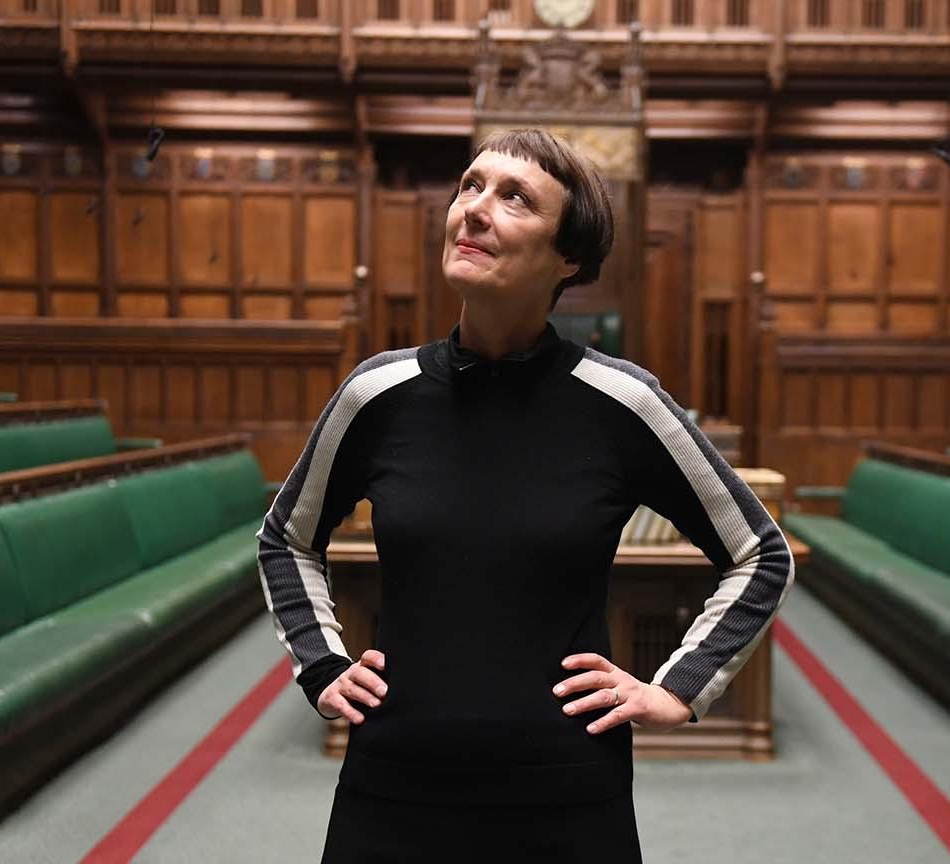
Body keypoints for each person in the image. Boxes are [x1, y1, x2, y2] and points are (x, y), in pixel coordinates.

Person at [257, 127, 795, 863]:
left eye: (515, 198)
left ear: (567, 259)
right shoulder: (376, 392)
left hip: (564, 786)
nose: (475, 209)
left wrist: (679, 686)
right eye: (469, 187)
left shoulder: (623, 400)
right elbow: (285, 538)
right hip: (395, 777)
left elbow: (761, 553)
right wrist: (321, 664)